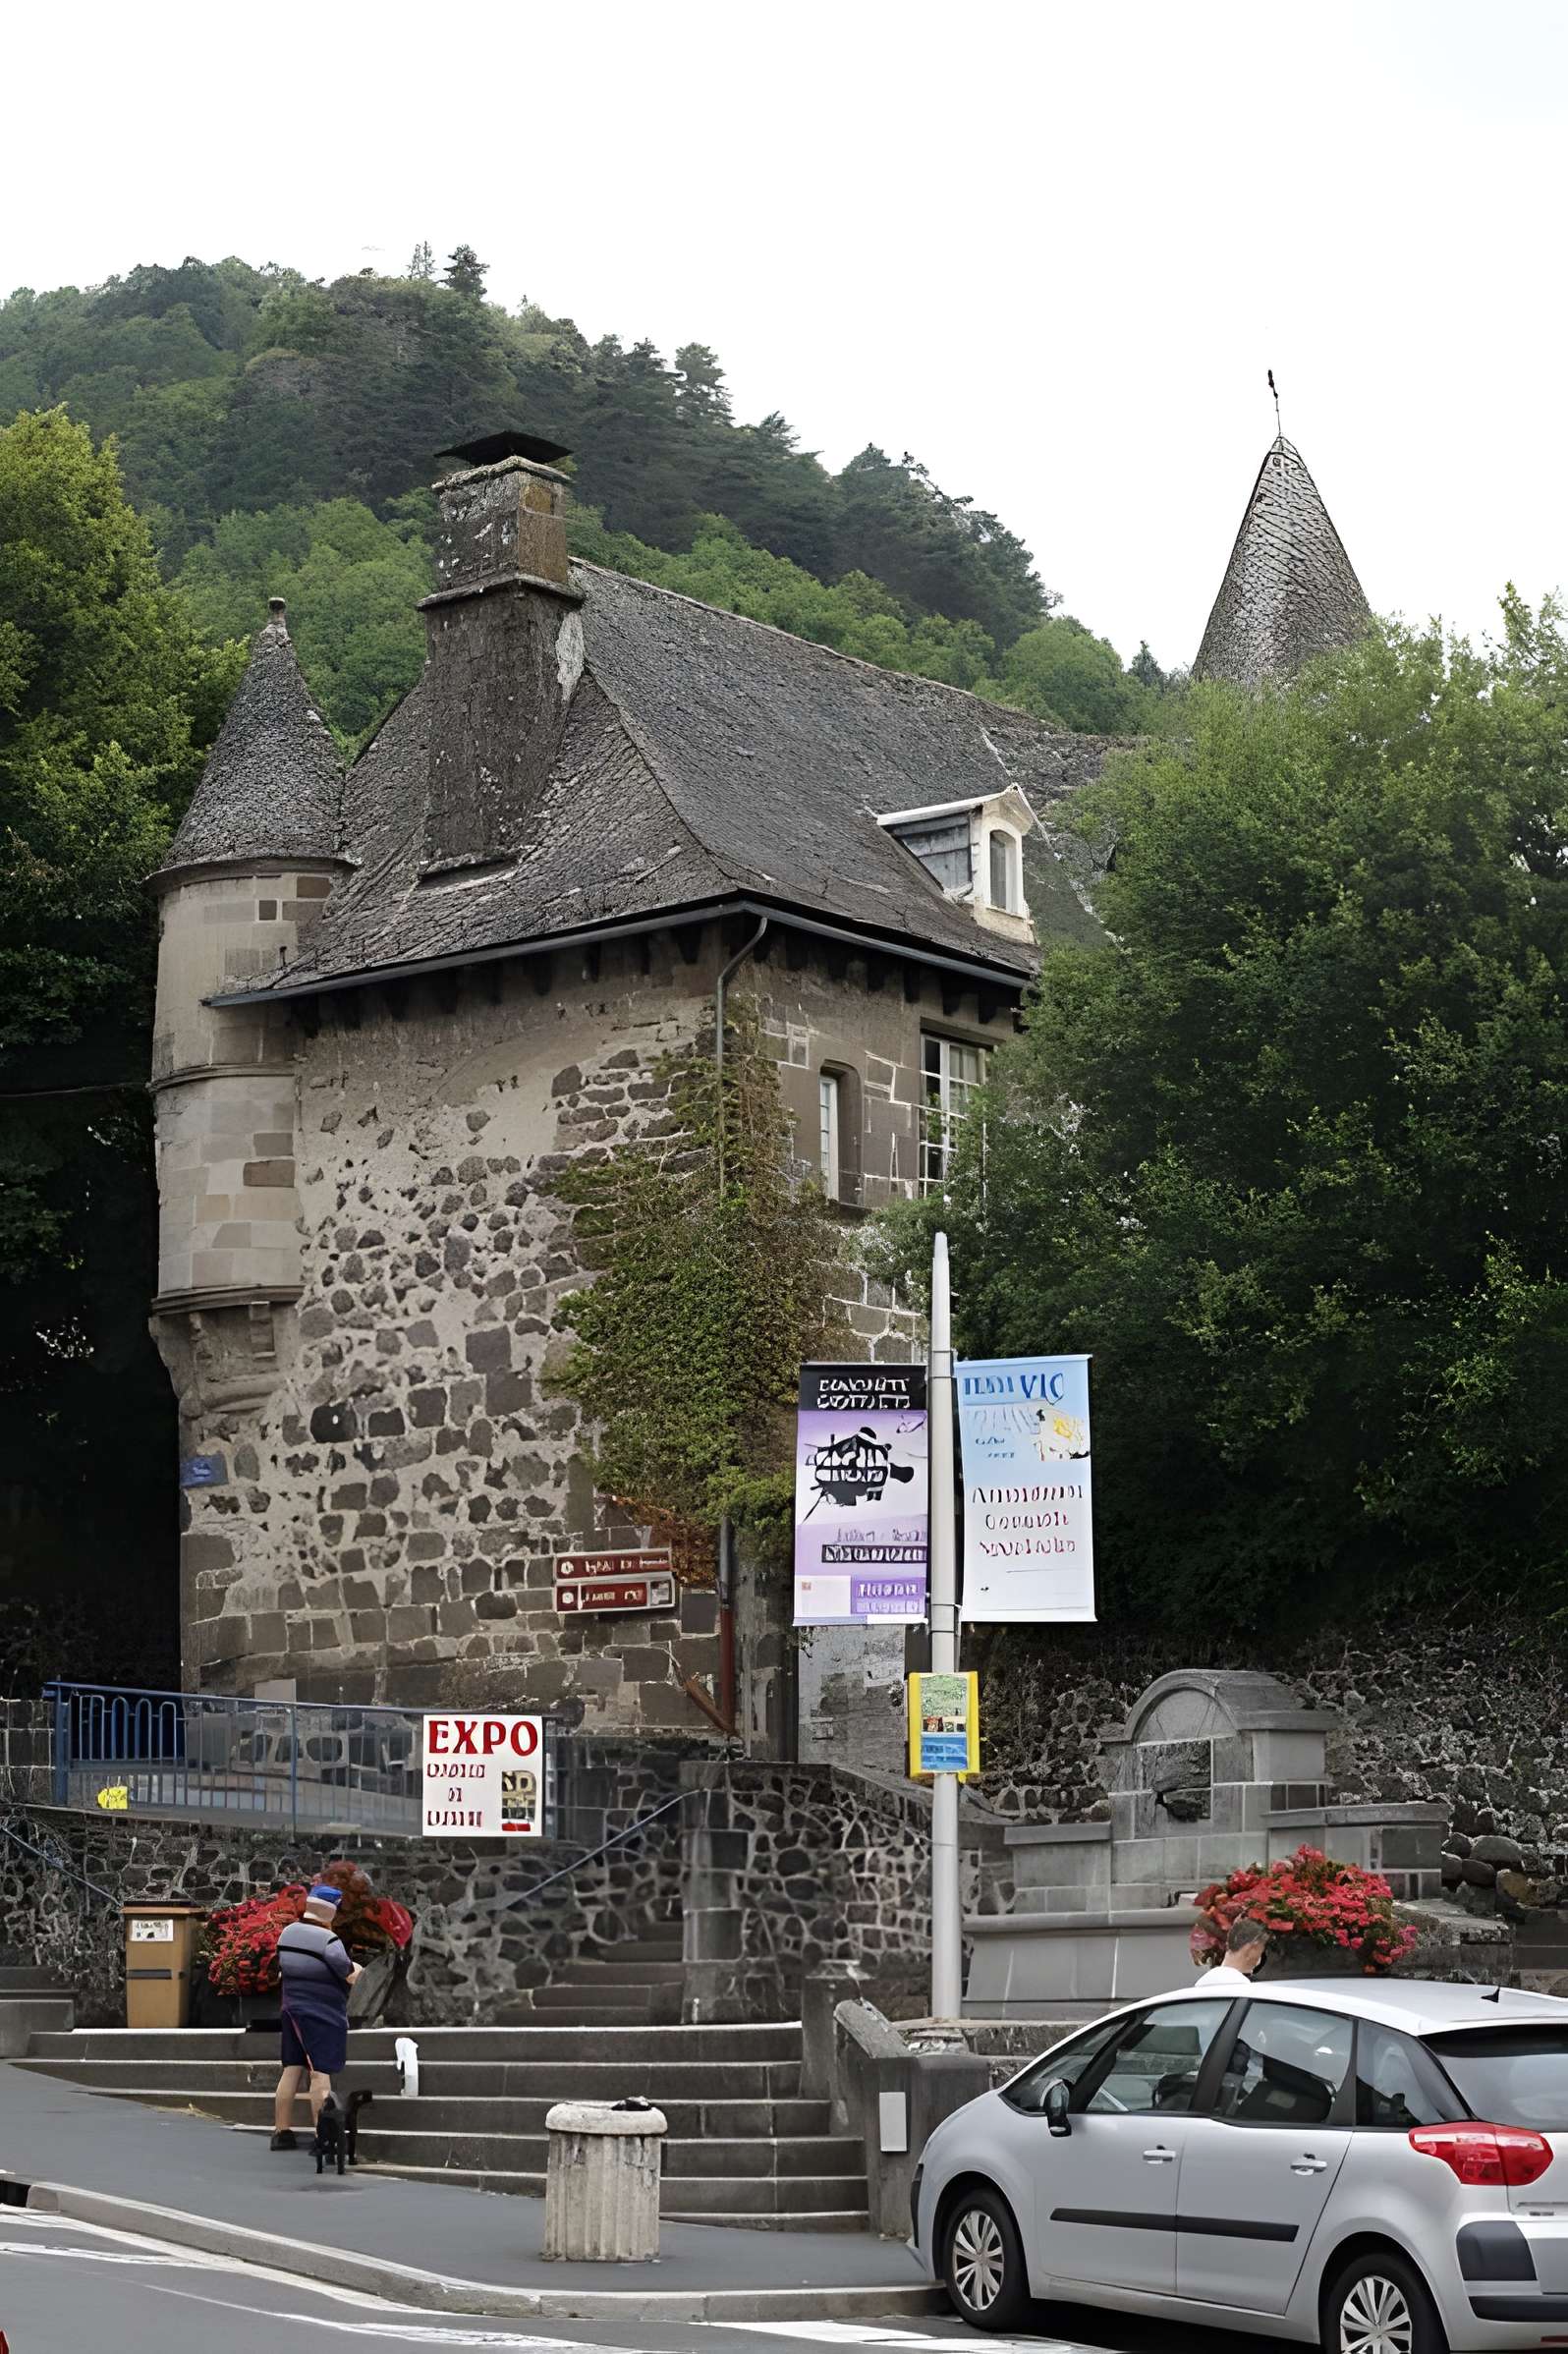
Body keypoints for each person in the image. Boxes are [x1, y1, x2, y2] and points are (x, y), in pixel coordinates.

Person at [270, 1883, 362, 2151]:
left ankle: (281, 2133)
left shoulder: (286, 1934)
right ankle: (324, 2139)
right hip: (321, 2015)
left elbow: (282, 1968)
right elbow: (349, 1974)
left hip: (291, 2011)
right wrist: (359, 1969)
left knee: (291, 2070)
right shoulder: (329, 1942)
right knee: (320, 2075)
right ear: (330, 1913)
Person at [1196, 1916, 1269, 1989]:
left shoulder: (1202, 1982)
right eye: (1261, 1951)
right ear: (1251, 1948)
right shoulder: (1242, 1987)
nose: (1260, 1958)